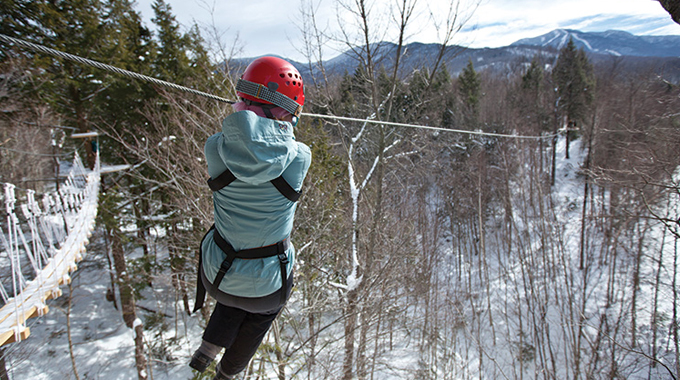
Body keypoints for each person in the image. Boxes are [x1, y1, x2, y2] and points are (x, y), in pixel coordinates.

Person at [189, 56, 311, 380]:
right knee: (262, 307)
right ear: (288, 112)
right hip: (268, 288)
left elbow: (242, 137)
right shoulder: (300, 158)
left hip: (217, 276)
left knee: (240, 282)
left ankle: (207, 349)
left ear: (242, 98)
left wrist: (246, 112)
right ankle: (228, 373)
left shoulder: (214, 148)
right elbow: (281, 142)